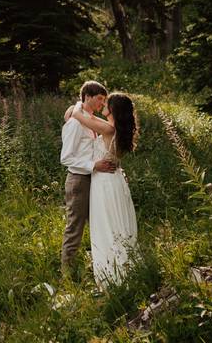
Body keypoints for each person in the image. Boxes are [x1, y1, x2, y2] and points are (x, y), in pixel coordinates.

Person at [68, 92, 139, 287]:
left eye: (106, 103)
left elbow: (78, 116)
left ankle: (111, 277)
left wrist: (77, 105)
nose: (103, 105)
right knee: (117, 225)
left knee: (106, 227)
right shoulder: (119, 130)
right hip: (115, 181)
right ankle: (124, 270)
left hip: (104, 184)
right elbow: (90, 118)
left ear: (114, 109)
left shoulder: (108, 129)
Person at [59, 80, 119, 276]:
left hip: (94, 179)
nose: (102, 103)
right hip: (78, 180)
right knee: (75, 226)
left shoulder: (89, 120)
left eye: (104, 100)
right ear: (87, 97)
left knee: (97, 223)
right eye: (100, 99)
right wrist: (93, 165)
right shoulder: (76, 123)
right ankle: (66, 272)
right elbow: (66, 157)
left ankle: (100, 265)